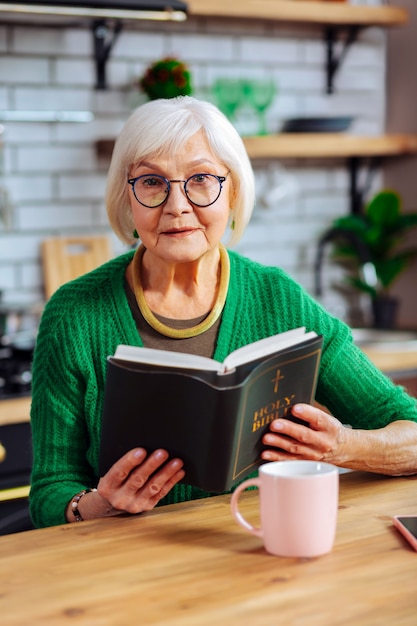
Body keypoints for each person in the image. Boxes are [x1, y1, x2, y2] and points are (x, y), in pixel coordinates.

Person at [30, 96, 417, 529]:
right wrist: (100, 504)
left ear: (232, 190)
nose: (176, 205)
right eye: (153, 182)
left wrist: (341, 447)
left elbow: (412, 431)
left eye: (200, 179)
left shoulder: (280, 298)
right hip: (125, 571)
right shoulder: (73, 313)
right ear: (127, 196)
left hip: (253, 556)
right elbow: (51, 489)